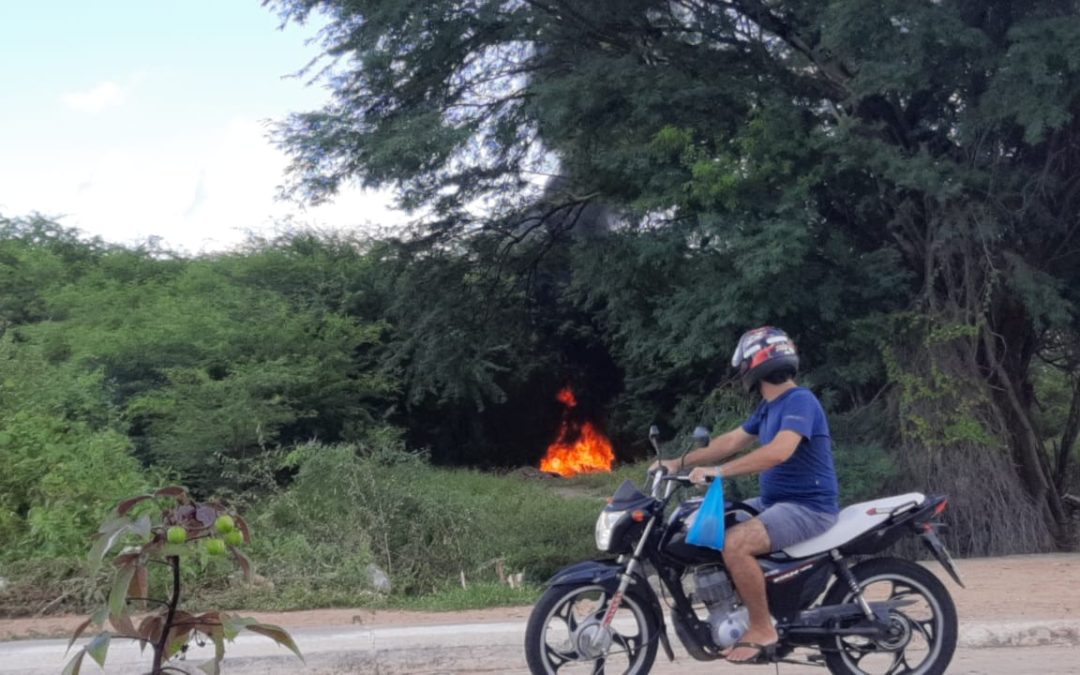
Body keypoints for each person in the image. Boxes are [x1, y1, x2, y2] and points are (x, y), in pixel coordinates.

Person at [652, 326, 839, 664]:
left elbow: (779, 451)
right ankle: (734, 606)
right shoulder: (769, 408)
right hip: (775, 503)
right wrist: (676, 462)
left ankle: (762, 626)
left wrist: (720, 472)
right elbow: (730, 442)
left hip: (808, 508)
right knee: (700, 525)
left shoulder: (800, 400)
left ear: (750, 365)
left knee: (735, 542)